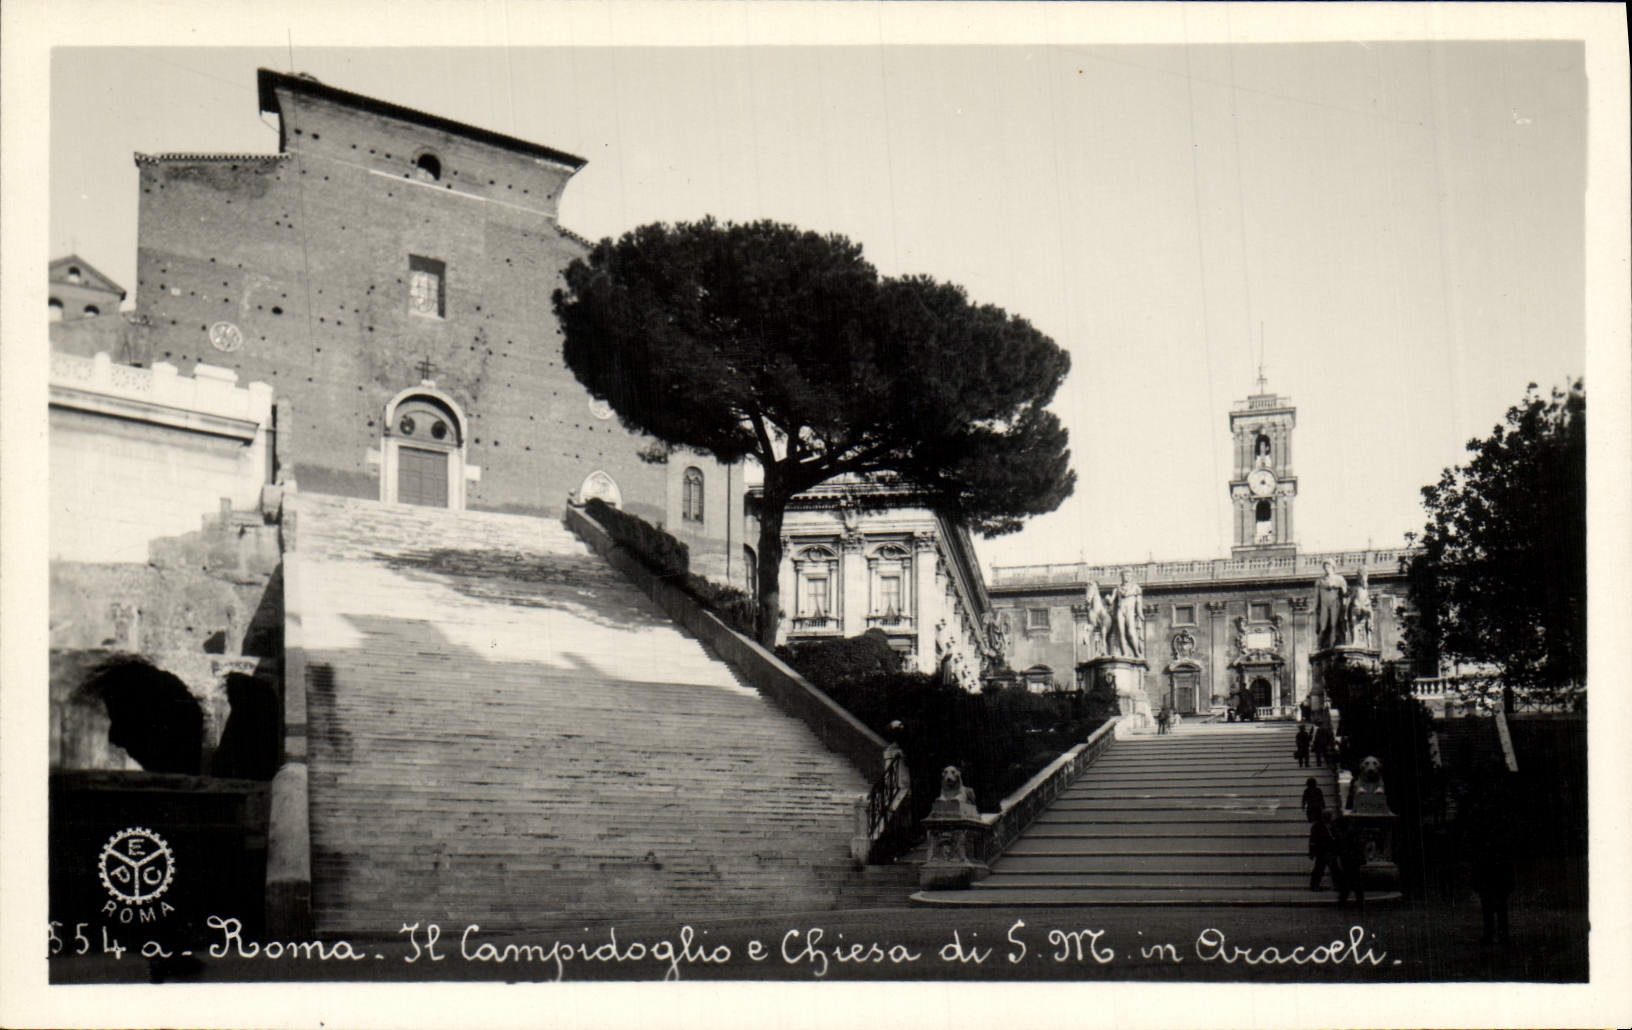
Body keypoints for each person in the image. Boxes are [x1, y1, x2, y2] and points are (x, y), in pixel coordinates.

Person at [1105, 569, 1144, 659]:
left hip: (1130, 611)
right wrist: (1107, 599)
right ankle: (1125, 653)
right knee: (1121, 632)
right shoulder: (1117, 588)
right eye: (1125, 575)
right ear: (1122, 577)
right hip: (1120, 610)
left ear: (1131, 576)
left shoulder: (1136, 588)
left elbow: (1139, 602)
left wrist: (1140, 613)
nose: (1127, 577)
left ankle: (1137, 652)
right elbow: (1111, 601)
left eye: (1129, 575)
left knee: (1131, 632)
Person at [1314, 560, 1349, 650]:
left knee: (1334, 624)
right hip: (1324, 605)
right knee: (1323, 626)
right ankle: (1319, 646)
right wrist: (1315, 607)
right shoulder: (1320, 581)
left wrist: (1344, 605)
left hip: (1335, 603)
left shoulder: (1339, 579)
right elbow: (1317, 596)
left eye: (1328, 567)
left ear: (1333, 567)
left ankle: (1332, 645)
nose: (1326, 569)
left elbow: (1345, 593)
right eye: (1325, 567)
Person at [1334, 814, 1367, 908]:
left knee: (1349, 882)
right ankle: (1356, 901)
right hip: (1352, 859)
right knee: (1354, 882)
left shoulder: (1348, 834)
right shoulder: (1352, 832)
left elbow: (1346, 847)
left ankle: (1344, 901)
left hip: (1350, 859)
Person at [1308, 809, 1339, 891]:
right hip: (1322, 851)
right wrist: (1312, 852)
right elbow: (1313, 840)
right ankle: (1314, 886)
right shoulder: (1318, 826)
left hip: (1330, 850)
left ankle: (1337, 885)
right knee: (1320, 869)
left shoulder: (1332, 826)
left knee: (1333, 869)